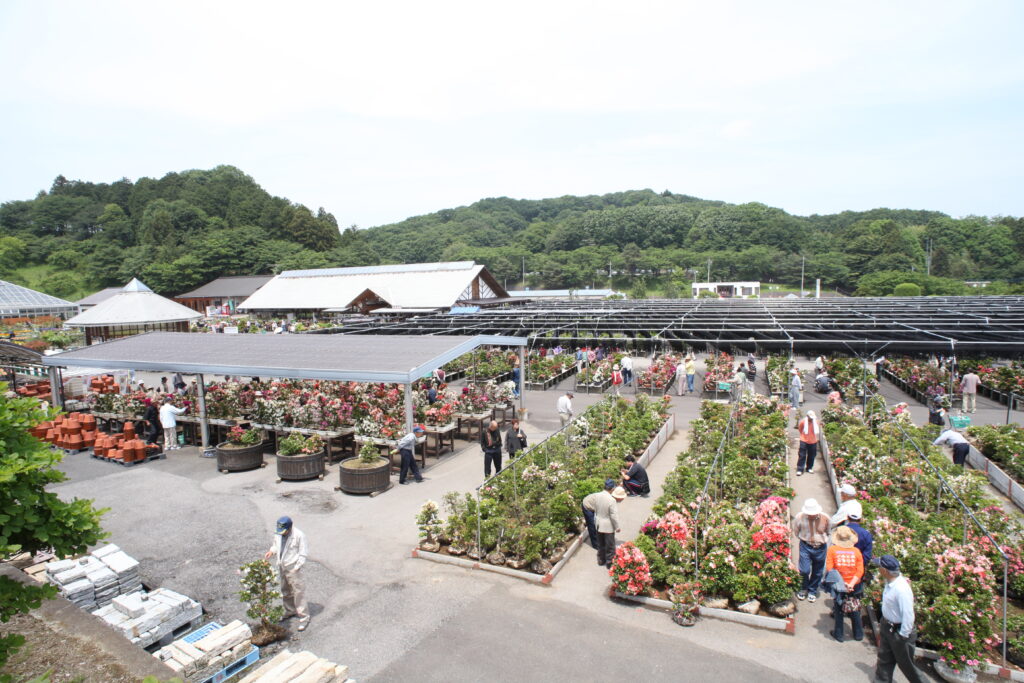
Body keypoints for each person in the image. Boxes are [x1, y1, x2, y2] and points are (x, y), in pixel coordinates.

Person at [872, 555, 927, 683]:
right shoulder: (889, 582)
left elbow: (908, 615)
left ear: (885, 570)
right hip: (887, 626)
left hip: (900, 631)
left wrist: (903, 635)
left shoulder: (901, 589)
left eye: (879, 567)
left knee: (907, 665)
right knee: (884, 658)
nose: (878, 569)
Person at [264, 516, 310, 632]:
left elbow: (303, 553)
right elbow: (276, 545)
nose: (282, 533)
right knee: (285, 589)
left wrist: (297, 567)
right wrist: (271, 551)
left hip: (293, 567)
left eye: (284, 531)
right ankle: (290, 610)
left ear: (290, 528)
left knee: (298, 592)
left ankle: (304, 617)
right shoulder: (279, 534)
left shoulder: (299, 535)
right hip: (282, 565)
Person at [825, 525, 865, 642]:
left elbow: (830, 568)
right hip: (854, 585)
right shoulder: (856, 552)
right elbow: (860, 570)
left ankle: (839, 634)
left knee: (839, 609)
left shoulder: (832, 550)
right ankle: (858, 634)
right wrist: (851, 584)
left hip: (839, 585)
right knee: (855, 607)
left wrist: (843, 584)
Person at [792, 498, 828, 602]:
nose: (811, 515)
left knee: (818, 571)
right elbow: (796, 531)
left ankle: (812, 590)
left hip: (820, 547)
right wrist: (805, 539)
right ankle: (803, 587)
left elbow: (828, 531)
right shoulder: (799, 517)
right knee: (804, 570)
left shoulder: (825, 518)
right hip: (806, 546)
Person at [586, 479, 623, 567]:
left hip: (598, 524)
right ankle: (609, 563)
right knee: (610, 546)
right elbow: (613, 516)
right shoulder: (611, 500)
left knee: (601, 544)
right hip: (608, 526)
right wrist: (617, 527)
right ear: (612, 489)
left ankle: (601, 560)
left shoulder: (597, 496)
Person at [796, 410, 820, 476]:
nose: (811, 419)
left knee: (812, 455)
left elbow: (817, 430)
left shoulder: (816, 422)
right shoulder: (803, 422)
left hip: (813, 441)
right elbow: (800, 429)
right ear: (807, 416)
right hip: (804, 440)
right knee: (802, 455)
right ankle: (800, 469)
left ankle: (809, 467)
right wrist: (803, 435)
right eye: (810, 417)